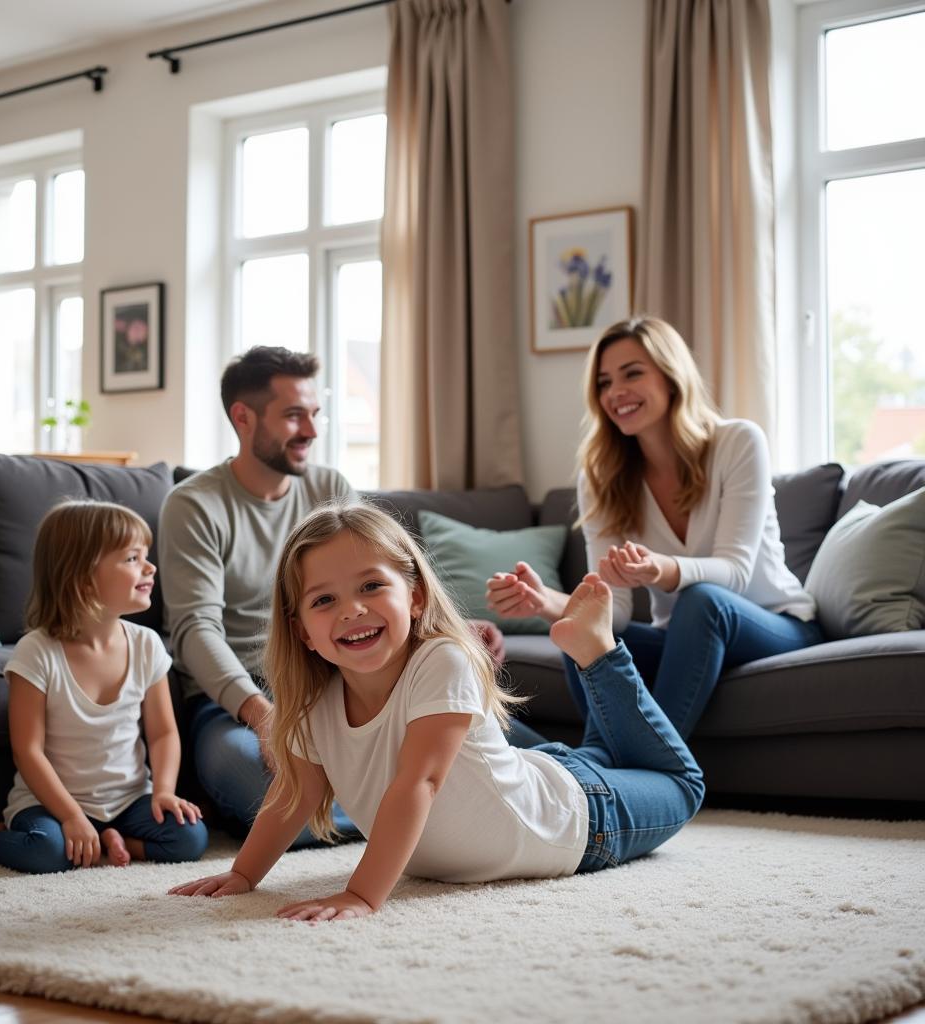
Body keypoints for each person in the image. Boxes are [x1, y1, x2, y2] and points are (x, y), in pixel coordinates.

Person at [167, 502, 704, 919]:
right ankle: (591, 686)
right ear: (302, 629)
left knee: (682, 783)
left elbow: (419, 782)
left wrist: (361, 894)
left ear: (417, 597)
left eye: (372, 586)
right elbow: (295, 793)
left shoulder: (441, 659)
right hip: (545, 771)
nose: (352, 609)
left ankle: (598, 653)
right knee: (603, 753)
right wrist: (243, 875)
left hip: (582, 820)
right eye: (323, 600)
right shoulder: (312, 702)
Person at [158, 347, 526, 845]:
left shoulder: (328, 487)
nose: (311, 430)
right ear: (242, 418)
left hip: (335, 677)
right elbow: (195, 631)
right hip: (237, 698)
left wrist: (455, 630)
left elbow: (378, 588)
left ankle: (415, 802)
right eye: (293, 416)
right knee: (256, 782)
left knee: (486, 747)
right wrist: (263, 716)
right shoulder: (195, 504)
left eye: (314, 413)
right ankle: (407, 810)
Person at [486, 315, 823, 741]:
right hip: (686, 640)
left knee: (703, 601)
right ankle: (601, 769)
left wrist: (660, 569)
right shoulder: (602, 477)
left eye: (632, 374)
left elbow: (735, 572)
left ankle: (648, 773)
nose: (616, 393)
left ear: (670, 377)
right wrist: (543, 600)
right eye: (605, 383)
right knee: (579, 635)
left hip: (775, 623)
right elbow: (617, 612)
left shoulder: (738, 443)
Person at [0, 501, 208, 873]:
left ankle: (114, 842)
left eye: (146, 555)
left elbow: (162, 734)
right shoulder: (37, 652)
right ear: (82, 577)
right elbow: (28, 751)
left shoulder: (146, 644)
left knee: (190, 837)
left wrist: (163, 791)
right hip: (51, 803)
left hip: (128, 800)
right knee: (45, 852)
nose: (150, 567)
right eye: (132, 558)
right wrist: (72, 815)